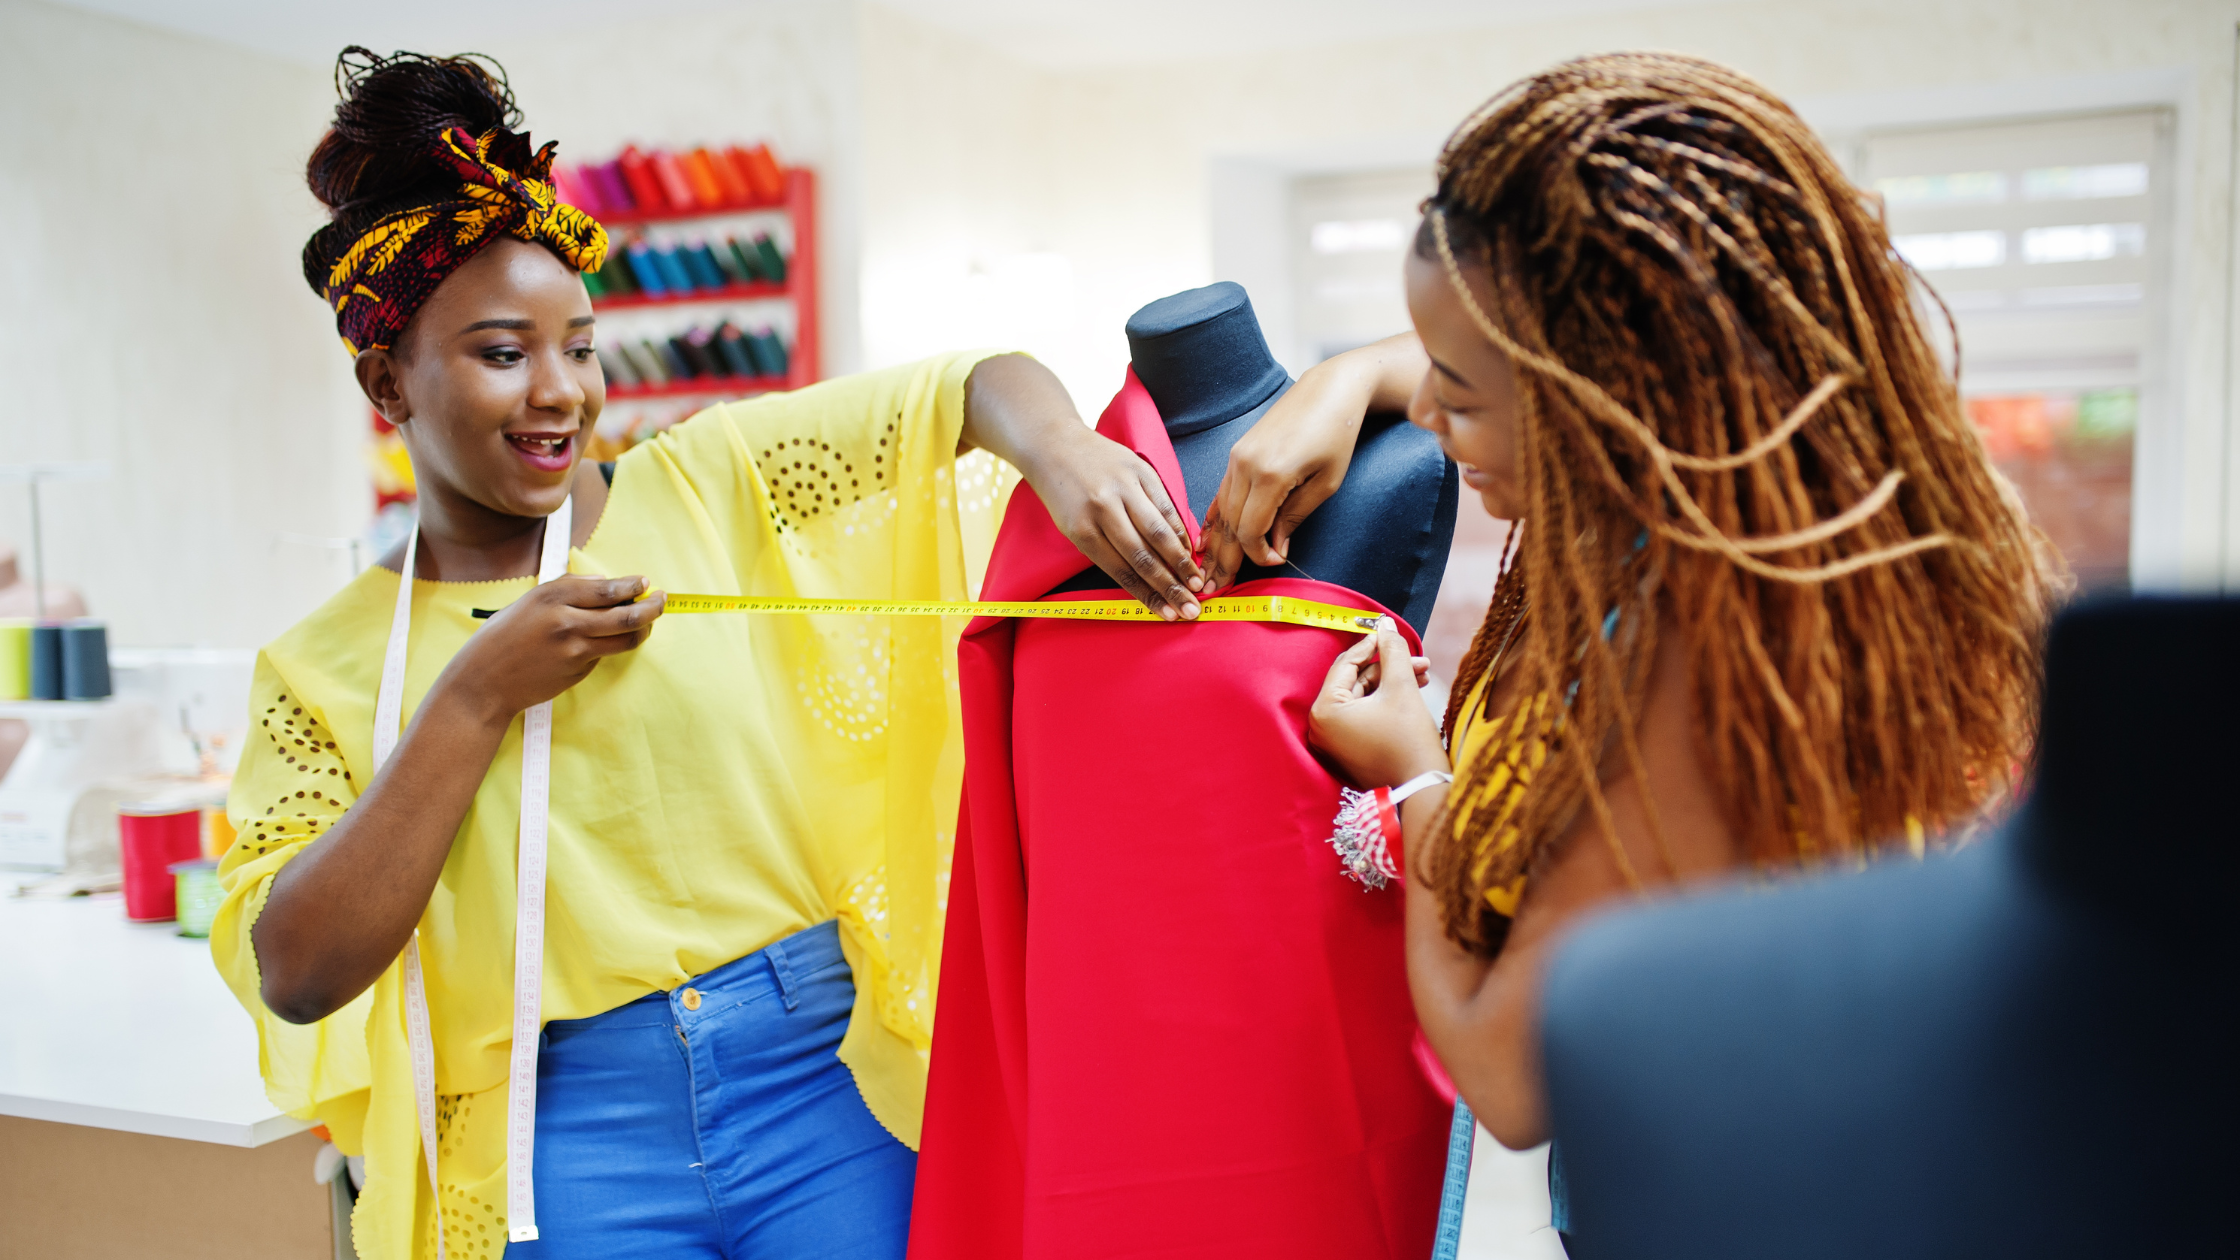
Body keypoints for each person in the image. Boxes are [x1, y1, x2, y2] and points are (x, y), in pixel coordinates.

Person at [210, 48, 1207, 1260]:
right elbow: (300, 968)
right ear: (388, 381)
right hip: (559, 1133)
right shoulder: (319, 669)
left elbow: (967, 389)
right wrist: (473, 699)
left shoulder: (710, 481)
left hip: (821, 1079)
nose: (561, 392)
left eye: (578, 345)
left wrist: (1062, 449)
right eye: (501, 352)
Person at [1245, 50, 2053, 1236]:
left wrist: (1414, 771)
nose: (1423, 418)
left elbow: (1508, 1077)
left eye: (1455, 394)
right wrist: (1348, 372)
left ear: (1602, 398)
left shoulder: (1691, 661)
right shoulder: (1799, 513)